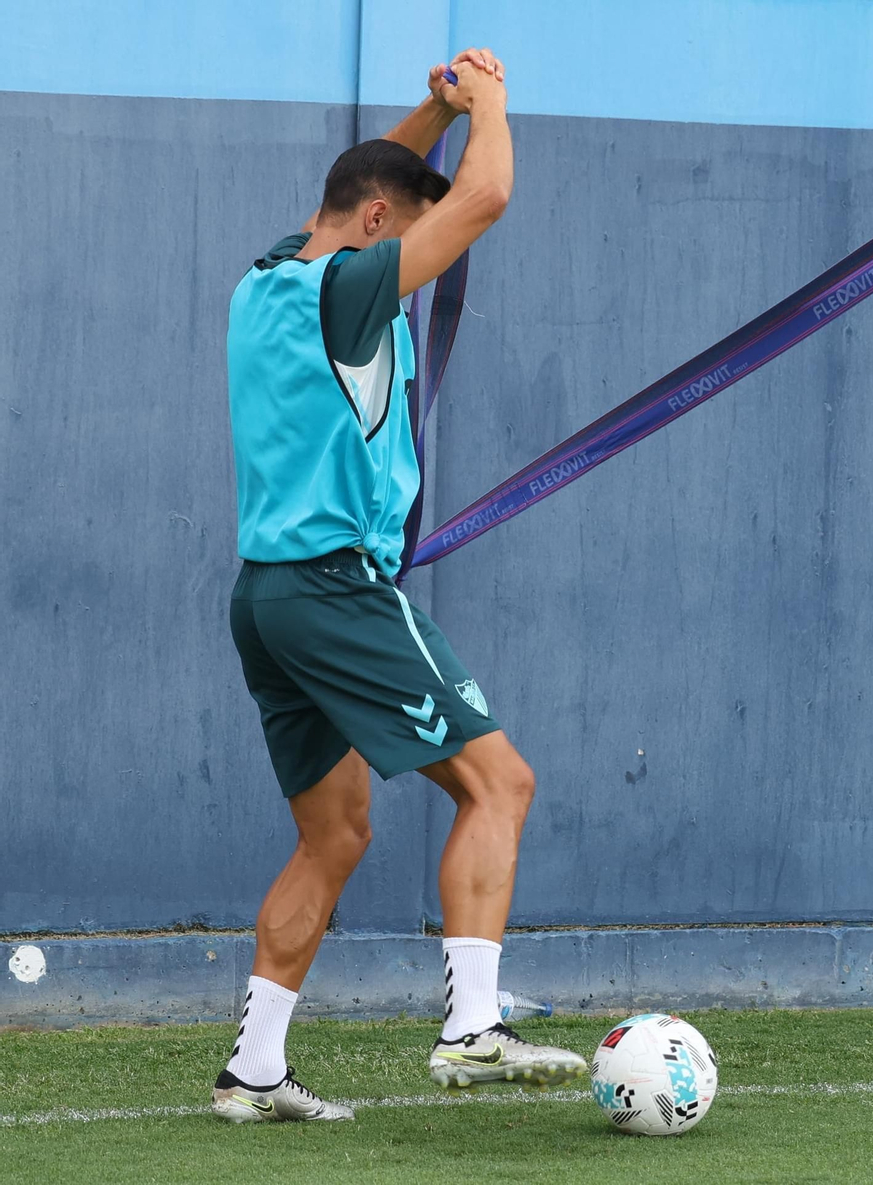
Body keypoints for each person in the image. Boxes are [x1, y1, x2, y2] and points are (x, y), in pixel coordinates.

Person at [215, 48, 584, 1123]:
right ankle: (472, 1024)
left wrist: (434, 105)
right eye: (404, 232)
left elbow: (374, 181)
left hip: (268, 599)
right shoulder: (342, 290)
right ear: (378, 226)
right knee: (499, 784)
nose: (416, 254)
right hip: (336, 590)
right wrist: (495, 105)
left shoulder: (270, 275)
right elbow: (487, 195)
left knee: (334, 836)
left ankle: (255, 1070)